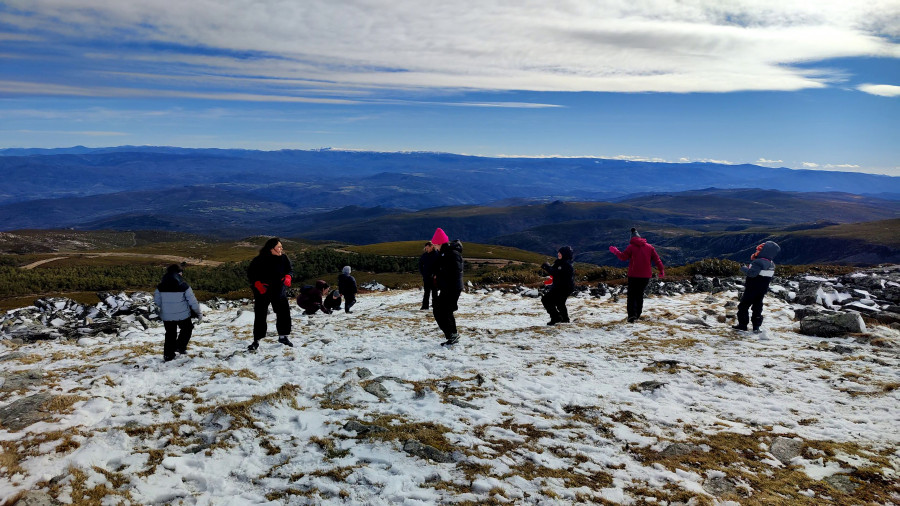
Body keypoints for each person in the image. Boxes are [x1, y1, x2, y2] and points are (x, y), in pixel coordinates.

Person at [247, 237, 294, 350]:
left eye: (281, 246)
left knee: (283, 313)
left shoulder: (283, 258)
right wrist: (257, 284)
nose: (281, 248)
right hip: (263, 292)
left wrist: (288, 276)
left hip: (279, 291)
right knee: (260, 315)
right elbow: (251, 274)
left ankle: (283, 336)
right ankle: (256, 340)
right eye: (279, 247)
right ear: (271, 249)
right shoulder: (259, 260)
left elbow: (290, 270)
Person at [609, 228, 665, 323]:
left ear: (631, 239)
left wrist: (615, 251)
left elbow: (623, 257)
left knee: (631, 296)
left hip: (633, 275)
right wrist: (661, 270)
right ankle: (638, 314)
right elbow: (657, 260)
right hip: (645, 276)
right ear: (640, 237)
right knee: (639, 295)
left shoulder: (631, 247)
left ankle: (631, 316)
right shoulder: (650, 247)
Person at [153, 264, 202, 362]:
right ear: (179, 273)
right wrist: (199, 313)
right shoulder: (184, 286)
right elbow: (193, 302)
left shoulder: (160, 287)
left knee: (170, 333)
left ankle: (168, 355)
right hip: (183, 315)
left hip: (166, 316)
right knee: (187, 329)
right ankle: (180, 347)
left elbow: (157, 302)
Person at [733, 241, 781, 333]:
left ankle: (742, 325)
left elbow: (751, 274)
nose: (757, 251)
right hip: (762, 290)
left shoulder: (758, 262)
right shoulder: (771, 264)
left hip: (752, 288)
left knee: (744, 306)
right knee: (757, 307)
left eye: (759, 249)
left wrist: (743, 268)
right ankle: (756, 326)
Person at [431, 228, 464, 346]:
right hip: (447, 288)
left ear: (440, 243)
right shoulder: (445, 253)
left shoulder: (452, 254)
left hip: (452, 288)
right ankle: (452, 335)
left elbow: (455, 272)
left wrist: (441, 276)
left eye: (435, 244)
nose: (434, 246)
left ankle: (452, 336)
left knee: (443, 311)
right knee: (442, 311)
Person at [541, 246, 575, 325]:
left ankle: (556, 317)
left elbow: (555, 272)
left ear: (565, 254)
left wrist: (547, 267)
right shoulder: (561, 262)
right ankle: (564, 319)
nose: (558, 254)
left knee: (546, 300)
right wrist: (548, 267)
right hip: (561, 287)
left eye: (561, 253)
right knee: (560, 303)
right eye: (558, 252)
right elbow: (554, 270)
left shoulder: (566, 264)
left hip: (563, 288)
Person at [418, 241, 439, 310]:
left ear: (432, 247)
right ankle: (425, 306)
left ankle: (435, 305)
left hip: (434, 277)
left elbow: (440, 266)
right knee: (426, 292)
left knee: (434, 292)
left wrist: (436, 274)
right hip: (426, 277)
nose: (426, 249)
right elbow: (420, 264)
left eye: (427, 248)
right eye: (426, 248)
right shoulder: (424, 255)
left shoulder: (437, 254)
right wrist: (423, 273)